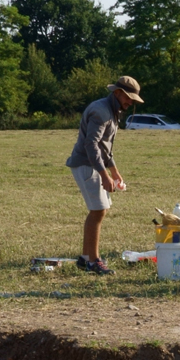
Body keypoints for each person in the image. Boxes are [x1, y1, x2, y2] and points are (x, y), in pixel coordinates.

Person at [65, 75, 144, 275]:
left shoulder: (112, 110)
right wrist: (104, 175)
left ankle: (85, 259)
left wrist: (114, 171)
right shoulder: (101, 112)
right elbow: (91, 145)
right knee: (98, 210)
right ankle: (94, 261)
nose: (130, 102)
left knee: (100, 210)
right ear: (117, 93)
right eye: (128, 98)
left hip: (92, 164)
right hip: (86, 164)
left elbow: (104, 147)